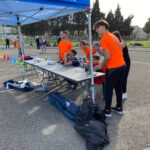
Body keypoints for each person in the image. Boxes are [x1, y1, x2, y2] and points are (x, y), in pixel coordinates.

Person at [93, 20, 125, 117]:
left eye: (97, 29)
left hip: (114, 67)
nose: (97, 31)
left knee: (108, 89)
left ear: (103, 26)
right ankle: (119, 108)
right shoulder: (113, 36)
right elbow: (118, 49)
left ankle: (107, 110)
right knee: (118, 88)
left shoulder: (104, 38)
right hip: (122, 65)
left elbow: (107, 56)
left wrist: (101, 66)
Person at [113, 31, 131, 100]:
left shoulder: (122, 43)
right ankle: (120, 91)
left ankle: (124, 92)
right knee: (119, 78)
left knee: (124, 77)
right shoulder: (116, 43)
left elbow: (119, 49)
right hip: (119, 62)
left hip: (126, 62)